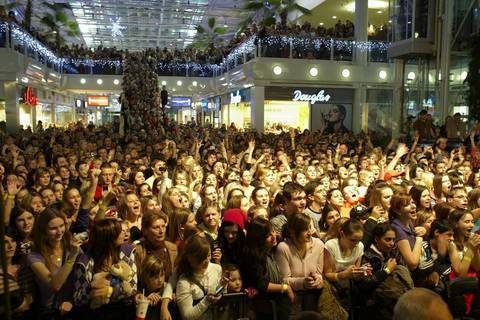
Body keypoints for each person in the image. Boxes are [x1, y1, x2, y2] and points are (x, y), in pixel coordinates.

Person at [73, 218, 137, 318]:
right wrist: (90, 290)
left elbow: (132, 288)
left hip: (122, 310)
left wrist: (111, 291)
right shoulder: (85, 261)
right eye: (119, 231)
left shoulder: (127, 251)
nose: (123, 233)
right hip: (95, 313)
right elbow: (78, 298)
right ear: (109, 237)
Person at [27, 208, 82, 317]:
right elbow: (55, 285)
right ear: (43, 230)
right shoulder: (34, 256)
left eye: (61, 226)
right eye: (53, 228)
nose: (59, 231)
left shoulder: (72, 247)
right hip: (52, 311)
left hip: (76, 305)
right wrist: (71, 258)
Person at [241, 217, 293, 320]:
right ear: (259, 238)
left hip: (276, 305)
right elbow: (262, 284)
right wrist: (285, 288)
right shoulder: (252, 257)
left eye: (273, 231)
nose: (274, 236)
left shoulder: (269, 250)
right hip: (264, 308)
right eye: (268, 235)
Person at [276, 213, 324, 315]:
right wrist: (303, 283)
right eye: (305, 230)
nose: (309, 233)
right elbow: (284, 280)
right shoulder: (283, 247)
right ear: (293, 232)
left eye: (310, 228)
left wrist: (317, 279)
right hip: (292, 293)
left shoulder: (319, 245)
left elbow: (320, 274)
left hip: (314, 292)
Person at [175, 234, 223, 320]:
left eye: (208, 255)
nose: (207, 261)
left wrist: (223, 286)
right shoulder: (184, 281)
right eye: (202, 258)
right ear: (191, 259)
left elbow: (224, 296)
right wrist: (207, 301)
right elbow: (187, 316)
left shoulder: (217, 268)